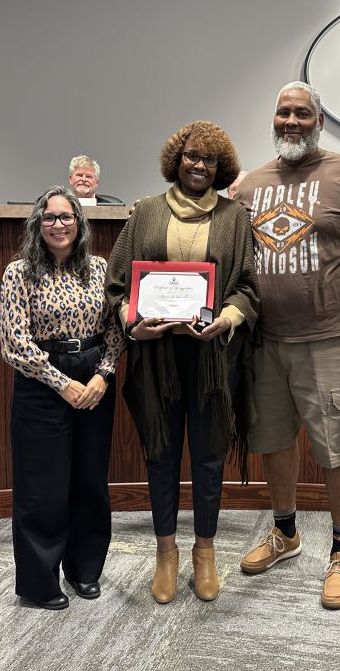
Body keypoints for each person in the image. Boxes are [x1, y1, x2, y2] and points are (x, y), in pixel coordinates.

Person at [232, 81, 340, 610]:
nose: (291, 122)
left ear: (319, 121)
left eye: (302, 113)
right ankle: (285, 533)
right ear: (273, 119)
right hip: (263, 342)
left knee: (338, 449)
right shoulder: (249, 184)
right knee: (273, 440)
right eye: (283, 113)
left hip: (329, 339)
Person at [105, 121, 259, 605]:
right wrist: (134, 324)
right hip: (157, 356)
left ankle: (205, 552)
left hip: (213, 356)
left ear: (221, 168)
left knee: (210, 455)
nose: (199, 166)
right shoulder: (146, 212)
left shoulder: (235, 217)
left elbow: (249, 288)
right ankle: (166, 553)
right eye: (192, 156)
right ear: (176, 160)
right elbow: (117, 285)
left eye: (210, 160)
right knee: (161, 454)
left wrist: (228, 318)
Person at [0, 185, 124, 610]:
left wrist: (104, 376)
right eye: (50, 217)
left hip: (92, 384)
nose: (58, 225)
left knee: (89, 482)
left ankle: (85, 571)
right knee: (43, 488)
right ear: (38, 224)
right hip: (42, 386)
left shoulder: (100, 269)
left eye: (66, 217)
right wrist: (61, 382)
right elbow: (14, 343)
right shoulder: (19, 273)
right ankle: (39, 584)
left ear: (80, 223)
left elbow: (113, 330)